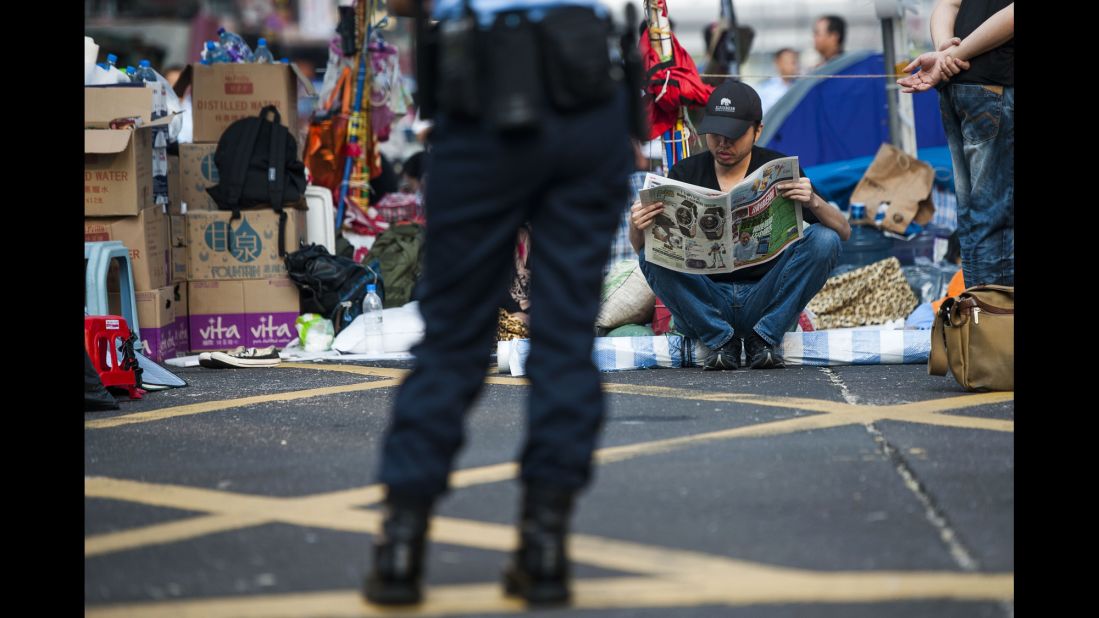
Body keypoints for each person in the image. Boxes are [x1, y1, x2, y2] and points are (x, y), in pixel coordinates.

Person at [364, 0, 634, 608]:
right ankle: (544, 547)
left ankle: (401, 546)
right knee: (565, 335)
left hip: (482, 90)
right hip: (586, 88)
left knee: (455, 338)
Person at [629, 79, 851, 370]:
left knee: (824, 239)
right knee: (650, 254)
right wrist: (637, 224)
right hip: (706, 303)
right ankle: (720, 340)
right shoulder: (685, 172)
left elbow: (843, 232)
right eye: (716, 134)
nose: (723, 143)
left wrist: (814, 202)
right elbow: (642, 250)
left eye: (733, 135)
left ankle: (765, 337)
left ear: (757, 130)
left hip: (765, 297)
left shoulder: (779, 168)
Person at [897, 0, 1013, 287]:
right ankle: (993, 320)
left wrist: (943, 54)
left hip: (958, 85)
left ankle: (978, 316)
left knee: (972, 213)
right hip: (994, 81)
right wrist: (950, 55)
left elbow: (947, 4)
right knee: (993, 217)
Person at [755, 48, 799, 114]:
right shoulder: (764, 88)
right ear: (778, 63)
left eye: (794, 62)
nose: (793, 67)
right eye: (788, 62)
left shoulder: (800, 86)